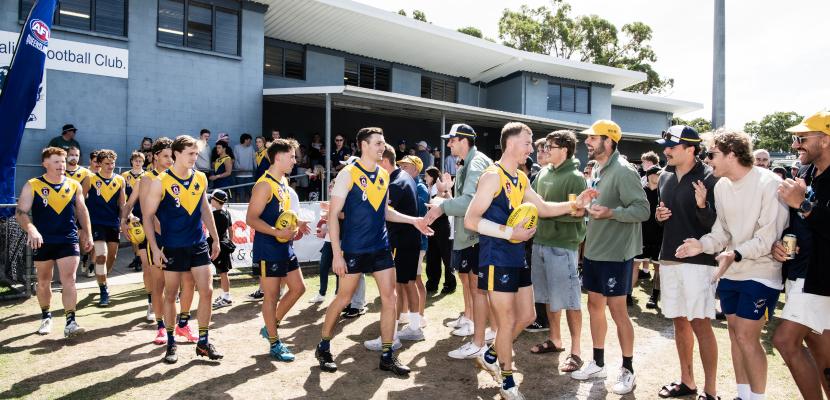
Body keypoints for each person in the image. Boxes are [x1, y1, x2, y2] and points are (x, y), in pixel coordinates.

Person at [464, 122, 595, 400]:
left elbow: (543, 208)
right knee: (506, 321)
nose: (532, 149)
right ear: (511, 144)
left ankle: (490, 355)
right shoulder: (492, 176)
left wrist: (575, 204)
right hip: (496, 258)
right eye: (527, 143)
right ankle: (507, 381)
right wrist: (510, 233)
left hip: (516, 256)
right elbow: (471, 220)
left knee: (528, 316)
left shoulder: (521, 178)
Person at [675, 129, 789, 400]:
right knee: (736, 335)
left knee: (747, 337)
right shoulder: (722, 186)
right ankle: (742, 395)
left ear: (732, 154)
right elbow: (721, 232)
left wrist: (734, 253)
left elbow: (767, 239)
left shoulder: (769, 183)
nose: (706, 159)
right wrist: (701, 245)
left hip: (762, 272)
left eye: (711, 153)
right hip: (731, 272)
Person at [314, 127, 432, 376]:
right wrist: (337, 253)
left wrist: (414, 220)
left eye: (383, 142)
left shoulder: (383, 174)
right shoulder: (348, 173)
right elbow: (333, 215)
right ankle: (323, 345)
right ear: (364, 145)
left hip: (381, 247)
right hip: (354, 249)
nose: (383, 147)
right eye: (378, 143)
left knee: (391, 298)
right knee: (343, 298)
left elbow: (385, 212)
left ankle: (387, 355)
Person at [570, 120, 649, 396]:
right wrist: (585, 206)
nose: (587, 142)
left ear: (609, 140)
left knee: (618, 311)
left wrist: (612, 213)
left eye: (593, 138)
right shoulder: (598, 168)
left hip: (616, 253)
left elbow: (642, 210)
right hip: (595, 250)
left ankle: (628, 369)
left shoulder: (624, 170)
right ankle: (598, 363)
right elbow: (599, 207)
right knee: (594, 305)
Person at [142, 135, 224, 364]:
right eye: (190, 153)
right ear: (176, 154)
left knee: (207, 291)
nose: (194, 158)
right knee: (170, 295)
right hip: (172, 247)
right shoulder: (161, 181)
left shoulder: (200, 177)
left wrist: (215, 238)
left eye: (196, 154)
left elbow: (205, 209)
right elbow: (147, 216)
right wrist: (155, 248)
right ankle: (171, 343)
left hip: (197, 244)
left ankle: (203, 343)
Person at [653, 125, 720, 400]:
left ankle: (711, 390)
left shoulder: (711, 177)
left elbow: (718, 226)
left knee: (700, 324)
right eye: (665, 147)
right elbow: (663, 216)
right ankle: (687, 382)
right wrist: (659, 216)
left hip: (700, 261)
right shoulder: (665, 176)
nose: (666, 151)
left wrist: (703, 206)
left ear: (691, 149)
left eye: (672, 147)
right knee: (679, 321)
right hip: (669, 258)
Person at [423, 123, 495, 360]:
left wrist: (442, 206)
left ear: (464, 140)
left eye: (452, 140)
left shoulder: (476, 163)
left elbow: (471, 201)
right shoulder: (469, 162)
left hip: (477, 235)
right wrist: (445, 199)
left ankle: (480, 335)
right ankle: (479, 328)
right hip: (471, 234)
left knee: (478, 288)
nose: (449, 144)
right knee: (474, 286)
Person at [772, 111, 830, 400]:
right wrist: (780, 244)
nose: (795, 145)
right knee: (822, 352)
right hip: (801, 274)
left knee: (785, 341)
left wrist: (804, 205)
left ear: (825, 139)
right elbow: (797, 224)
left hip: (819, 278)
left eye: (802, 138)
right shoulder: (805, 175)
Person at [122, 137, 193, 346]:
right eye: (166, 156)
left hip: (180, 237)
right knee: (158, 283)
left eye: (172, 156)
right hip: (159, 238)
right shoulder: (147, 179)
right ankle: (161, 326)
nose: (170, 160)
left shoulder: (178, 176)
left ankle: (182, 323)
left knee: (186, 282)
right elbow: (139, 208)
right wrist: (124, 220)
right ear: (155, 157)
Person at [528, 130, 588, 375]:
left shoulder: (575, 177)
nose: (544, 150)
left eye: (550, 147)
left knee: (570, 300)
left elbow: (576, 214)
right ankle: (555, 339)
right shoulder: (543, 173)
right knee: (548, 298)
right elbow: (532, 205)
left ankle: (576, 352)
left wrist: (546, 212)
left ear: (565, 149)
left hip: (563, 246)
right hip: (540, 242)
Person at [18, 147, 93, 338]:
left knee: (70, 279)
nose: (62, 165)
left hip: (68, 239)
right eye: (57, 161)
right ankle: (46, 316)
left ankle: (71, 322)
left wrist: (88, 233)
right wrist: (31, 229)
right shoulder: (33, 185)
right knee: (44, 281)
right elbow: (21, 212)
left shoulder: (74, 185)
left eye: (63, 161)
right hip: (43, 241)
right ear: (45, 163)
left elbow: (82, 210)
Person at [247, 138, 310, 362]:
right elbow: (251, 219)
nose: (295, 160)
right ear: (278, 157)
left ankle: (270, 327)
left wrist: (297, 223)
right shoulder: (264, 185)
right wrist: (276, 232)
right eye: (291, 156)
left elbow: (282, 215)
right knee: (271, 297)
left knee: (298, 288)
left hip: (285, 246)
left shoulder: (283, 181)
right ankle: (274, 343)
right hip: (268, 248)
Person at [392, 153, 429, 341]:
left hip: (416, 241)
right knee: (405, 281)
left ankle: (418, 318)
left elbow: (418, 213)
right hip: (409, 240)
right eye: (401, 165)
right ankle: (406, 315)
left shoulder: (418, 187)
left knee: (414, 281)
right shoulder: (409, 183)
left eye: (406, 166)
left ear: (416, 169)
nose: (402, 168)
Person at [85, 150, 127, 307]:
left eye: (112, 163)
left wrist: (125, 220)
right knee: (101, 255)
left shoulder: (120, 180)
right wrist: (81, 224)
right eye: (107, 163)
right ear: (99, 164)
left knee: (112, 256)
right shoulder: (90, 179)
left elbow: (122, 204)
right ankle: (104, 290)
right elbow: (80, 201)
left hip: (113, 223)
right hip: (96, 223)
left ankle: (102, 278)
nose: (110, 166)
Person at [632, 165, 663, 308]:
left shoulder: (663, 193)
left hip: (659, 235)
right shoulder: (641, 192)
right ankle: (628, 294)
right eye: (657, 174)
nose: (659, 177)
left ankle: (654, 296)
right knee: (635, 265)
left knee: (658, 267)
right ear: (650, 175)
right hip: (642, 235)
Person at [423, 166, 453, 294]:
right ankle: (432, 283)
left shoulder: (438, 187)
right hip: (433, 224)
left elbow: (445, 201)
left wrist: (444, 190)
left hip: (442, 224)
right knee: (432, 256)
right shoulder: (430, 187)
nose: (425, 178)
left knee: (446, 256)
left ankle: (449, 284)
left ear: (432, 176)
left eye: (426, 176)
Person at [210, 190, 236, 309]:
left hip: (218, 245)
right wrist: (229, 242)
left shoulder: (215, 215)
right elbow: (231, 230)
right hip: (223, 244)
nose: (210, 200)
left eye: (212, 199)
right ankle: (224, 295)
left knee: (223, 273)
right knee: (222, 272)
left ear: (216, 201)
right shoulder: (226, 212)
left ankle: (226, 297)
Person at [233, 133, 255, 201]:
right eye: (249, 140)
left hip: (249, 174)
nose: (250, 142)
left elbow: (254, 159)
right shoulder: (236, 147)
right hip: (239, 174)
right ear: (245, 140)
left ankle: (248, 204)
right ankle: (237, 204)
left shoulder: (251, 148)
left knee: (249, 192)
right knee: (238, 192)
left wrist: (256, 168)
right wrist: (239, 168)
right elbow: (235, 159)